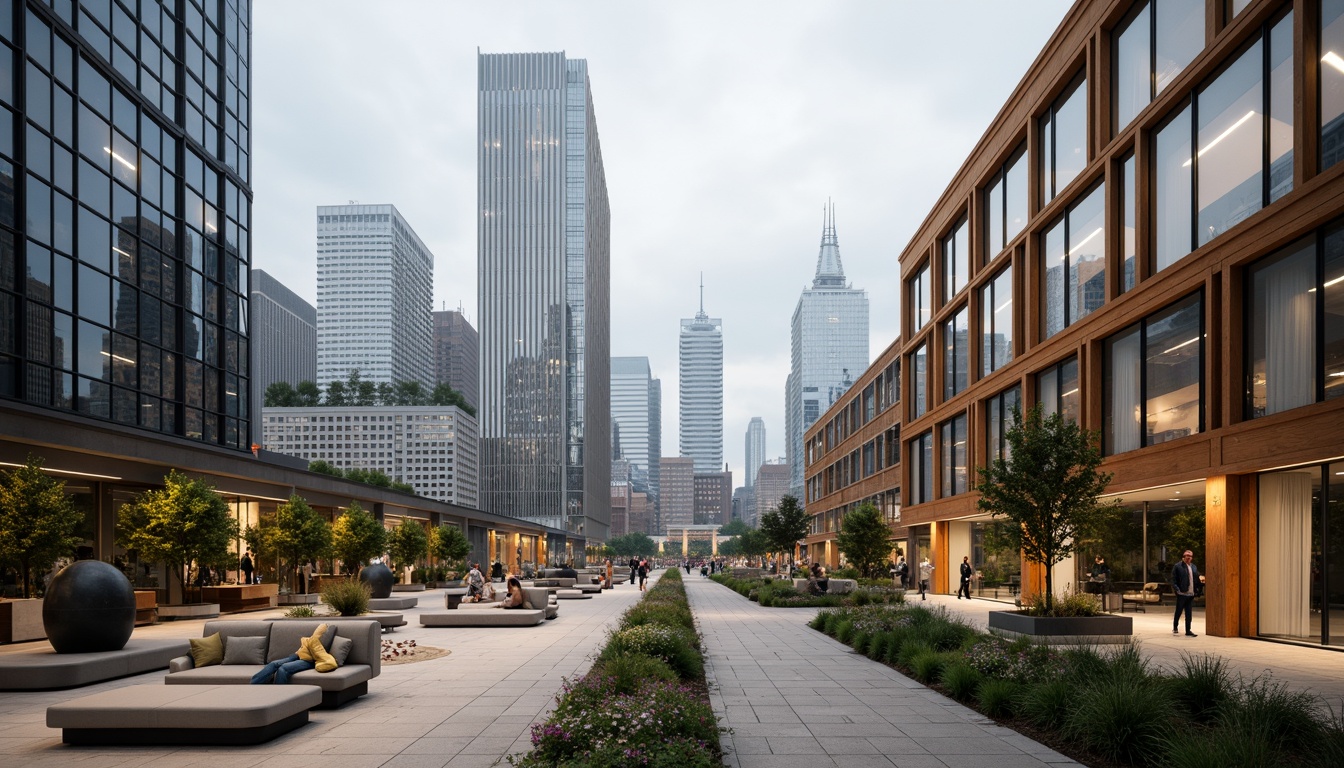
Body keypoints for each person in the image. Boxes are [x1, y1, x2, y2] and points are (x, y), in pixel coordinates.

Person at [1171, 549, 1204, 637]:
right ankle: (1175, 627)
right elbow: (1173, 580)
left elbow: (1196, 577)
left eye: (1190, 556)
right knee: (1179, 611)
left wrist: (1199, 586)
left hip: (1190, 593)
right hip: (1182, 593)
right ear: (1184, 557)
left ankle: (1188, 630)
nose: (1189, 558)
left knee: (1189, 613)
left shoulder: (1193, 567)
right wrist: (1177, 590)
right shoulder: (1178, 566)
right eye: (1187, 556)